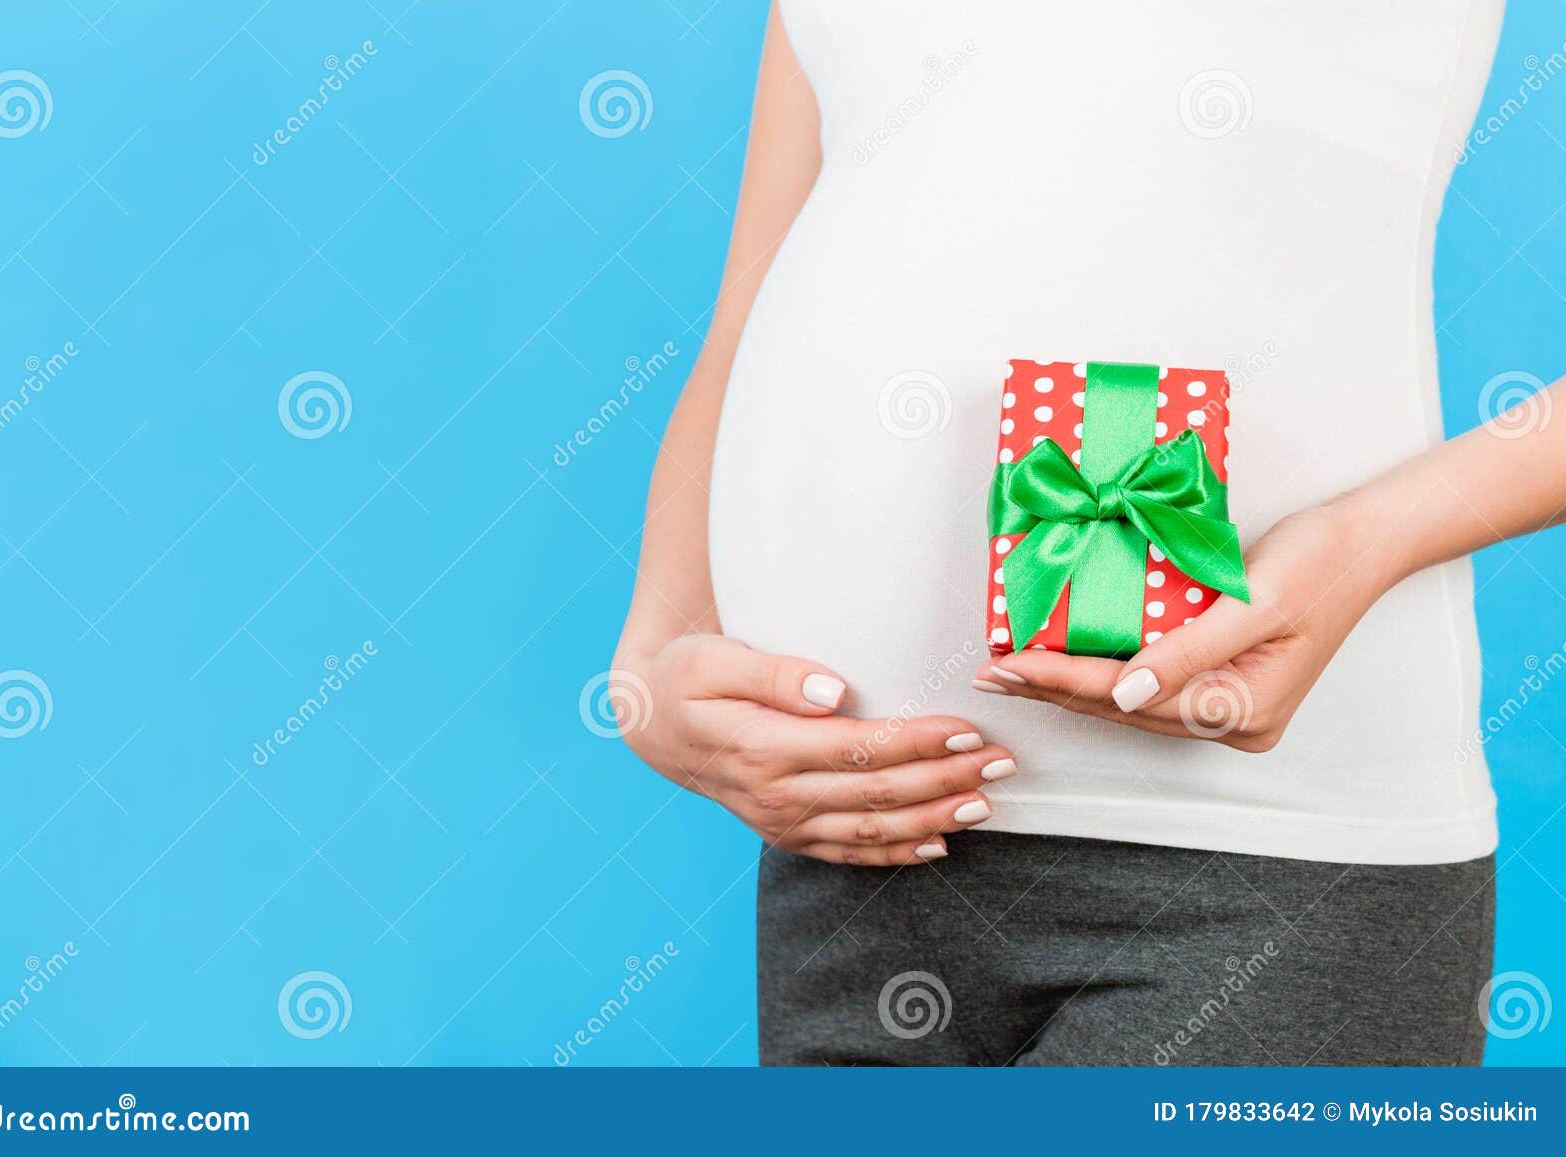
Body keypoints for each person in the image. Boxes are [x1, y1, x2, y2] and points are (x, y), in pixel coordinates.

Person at [615, 0, 1546, 1065]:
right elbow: (751, 304)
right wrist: (656, 649)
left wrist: (1367, 538)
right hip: (851, 854)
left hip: (1265, 862)